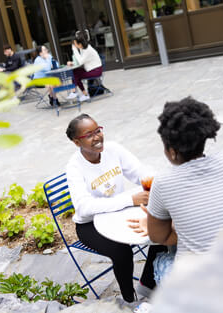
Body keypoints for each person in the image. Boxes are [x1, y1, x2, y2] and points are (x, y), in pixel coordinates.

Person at [128, 97, 223, 284]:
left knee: (160, 261)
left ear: (173, 151)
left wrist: (154, 223)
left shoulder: (164, 181)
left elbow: (162, 237)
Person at [65, 114, 165, 302]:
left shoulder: (113, 150)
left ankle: (147, 284)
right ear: (76, 142)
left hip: (119, 214)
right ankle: (129, 299)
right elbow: (84, 207)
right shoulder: (74, 167)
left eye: (98, 130)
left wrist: (153, 180)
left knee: (160, 231)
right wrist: (129, 199)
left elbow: (140, 172)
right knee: (122, 251)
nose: (97, 137)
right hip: (90, 225)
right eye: (89, 135)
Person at [67, 31, 102, 102]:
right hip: (91, 69)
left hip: (96, 71)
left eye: (75, 44)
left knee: (76, 74)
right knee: (75, 72)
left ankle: (77, 92)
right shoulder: (85, 48)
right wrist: (73, 63)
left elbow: (80, 62)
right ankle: (81, 93)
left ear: (79, 44)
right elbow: (82, 61)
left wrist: (74, 50)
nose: (75, 45)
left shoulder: (87, 50)